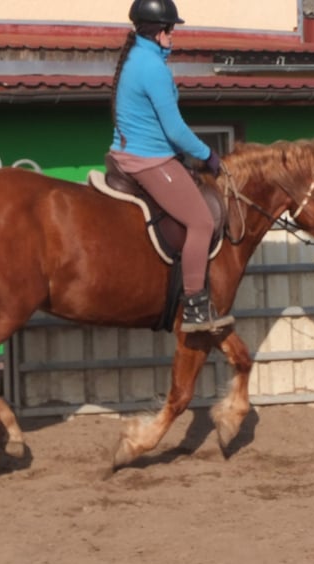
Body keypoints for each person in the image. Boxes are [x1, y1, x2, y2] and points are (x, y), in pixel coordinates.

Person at [109, 0, 234, 333]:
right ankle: (194, 305)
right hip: (148, 158)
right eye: (170, 30)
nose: (173, 37)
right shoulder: (152, 68)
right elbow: (175, 129)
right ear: (159, 31)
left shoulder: (139, 58)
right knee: (201, 221)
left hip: (136, 152)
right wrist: (209, 155)